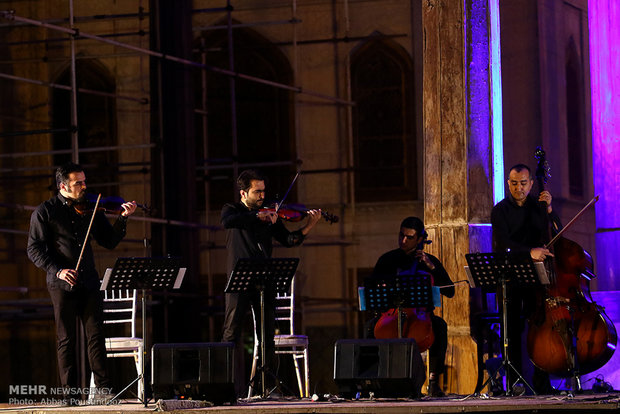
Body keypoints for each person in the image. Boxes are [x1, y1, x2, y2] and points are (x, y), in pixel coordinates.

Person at [27, 162, 137, 404]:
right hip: (61, 283)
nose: (84, 186)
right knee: (66, 339)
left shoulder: (91, 208)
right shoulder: (45, 211)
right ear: (63, 185)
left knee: (96, 336)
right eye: (79, 183)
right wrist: (58, 271)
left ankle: (103, 391)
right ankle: (70, 395)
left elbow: (108, 241)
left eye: (84, 181)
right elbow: (34, 249)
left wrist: (123, 219)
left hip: (88, 279)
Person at [221, 169, 321, 397]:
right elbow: (228, 222)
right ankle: (224, 386)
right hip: (239, 278)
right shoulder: (232, 210)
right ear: (244, 192)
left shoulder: (270, 216)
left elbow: (289, 240)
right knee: (231, 332)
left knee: (267, 333)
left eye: (264, 191)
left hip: (264, 279)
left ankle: (267, 386)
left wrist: (308, 225)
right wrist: (258, 217)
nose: (262, 196)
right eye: (257, 192)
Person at [491, 163, 561, 395]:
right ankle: (514, 382)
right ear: (508, 183)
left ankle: (542, 382)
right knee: (511, 328)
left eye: (523, 183)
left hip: (538, 278)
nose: (518, 188)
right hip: (510, 276)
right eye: (513, 183)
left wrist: (550, 210)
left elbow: (557, 234)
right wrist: (530, 252)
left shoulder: (539, 207)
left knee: (540, 328)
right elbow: (502, 244)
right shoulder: (500, 210)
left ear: (531, 183)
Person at [369, 216, 455, 397]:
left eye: (409, 237)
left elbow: (450, 291)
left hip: (420, 317)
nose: (403, 240)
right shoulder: (387, 260)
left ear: (420, 240)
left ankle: (433, 382)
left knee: (440, 327)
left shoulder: (429, 261)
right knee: (370, 327)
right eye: (401, 235)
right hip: (391, 314)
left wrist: (432, 267)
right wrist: (380, 288)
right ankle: (373, 382)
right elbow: (372, 288)